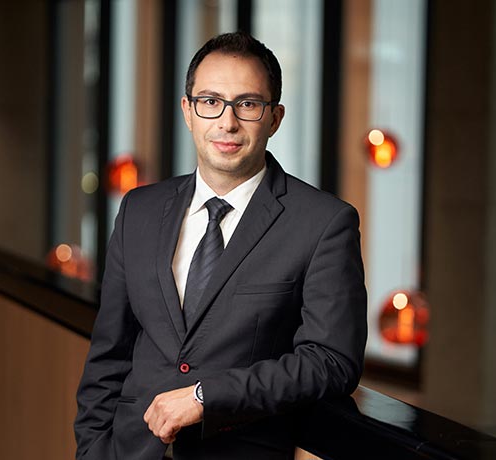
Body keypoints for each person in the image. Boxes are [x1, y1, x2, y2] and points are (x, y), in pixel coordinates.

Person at [74, 31, 367, 460]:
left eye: (247, 104)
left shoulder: (323, 222)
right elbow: (108, 355)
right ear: (188, 111)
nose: (227, 122)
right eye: (210, 102)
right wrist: (92, 451)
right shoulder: (139, 209)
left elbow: (331, 361)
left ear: (275, 117)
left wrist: (205, 396)